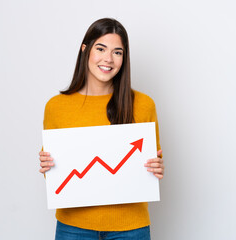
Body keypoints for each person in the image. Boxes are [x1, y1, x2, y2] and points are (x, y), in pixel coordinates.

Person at [39, 18, 164, 240]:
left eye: (117, 52)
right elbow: (56, 177)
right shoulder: (56, 107)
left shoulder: (143, 105)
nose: (108, 59)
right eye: (101, 48)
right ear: (85, 49)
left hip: (130, 227)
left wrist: (156, 167)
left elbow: (151, 167)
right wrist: (49, 166)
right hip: (73, 226)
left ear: (124, 58)